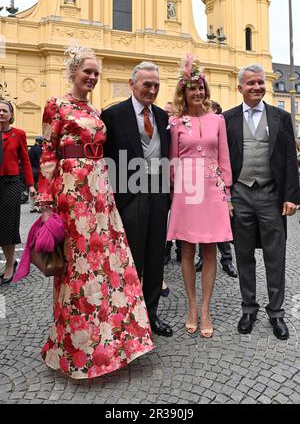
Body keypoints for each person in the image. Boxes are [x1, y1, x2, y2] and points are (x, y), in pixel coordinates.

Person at [36, 46, 154, 379]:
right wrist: (45, 205)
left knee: (109, 267)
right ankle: (75, 348)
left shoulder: (94, 109)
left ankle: (114, 341)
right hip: (71, 193)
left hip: (101, 192)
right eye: (87, 71)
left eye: (96, 73)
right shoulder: (55, 105)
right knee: (78, 271)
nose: (92, 77)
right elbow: (47, 153)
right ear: (73, 71)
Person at [223, 64, 300, 340]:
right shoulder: (227, 118)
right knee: (243, 254)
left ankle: (277, 313)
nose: (257, 87)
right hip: (240, 194)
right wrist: (224, 195)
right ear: (240, 87)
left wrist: (292, 195)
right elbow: (222, 160)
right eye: (250, 83)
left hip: (271, 194)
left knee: (275, 255)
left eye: (260, 82)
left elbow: (290, 158)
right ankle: (248, 308)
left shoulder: (280, 116)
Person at [102, 62, 173, 337]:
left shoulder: (163, 117)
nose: (152, 90)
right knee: (128, 258)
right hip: (127, 196)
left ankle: (151, 315)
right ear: (132, 84)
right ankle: (125, 317)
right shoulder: (112, 115)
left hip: (157, 196)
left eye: (156, 85)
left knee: (156, 258)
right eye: (147, 84)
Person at [167, 54, 233, 338]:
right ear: (184, 91)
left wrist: (227, 192)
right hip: (187, 189)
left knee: (209, 250)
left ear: (206, 91)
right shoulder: (176, 122)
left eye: (201, 87)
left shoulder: (218, 120)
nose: (197, 92)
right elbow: (172, 159)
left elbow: (224, 157)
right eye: (191, 88)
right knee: (186, 249)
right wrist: (173, 192)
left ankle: (206, 308)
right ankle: (191, 306)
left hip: (213, 188)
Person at [195, 101, 238, 278]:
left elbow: (224, 154)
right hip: (195, 185)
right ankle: (202, 258)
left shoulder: (218, 122)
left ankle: (227, 260)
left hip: (214, 182)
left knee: (219, 227)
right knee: (198, 226)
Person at [0, 98, 35, 285]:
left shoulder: (19, 134)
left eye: (5, 110)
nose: (1, 113)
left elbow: (26, 162)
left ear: (11, 115)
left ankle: (9, 263)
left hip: (11, 184)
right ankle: (11, 260)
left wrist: (30, 185)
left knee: (7, 224)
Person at [28, 136, 43, 212]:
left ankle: (32, 207)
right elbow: (40, 160)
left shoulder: (30, 149)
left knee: (31, 188)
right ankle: (39, 207)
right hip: (37, 171)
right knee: (38, 188)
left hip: (31, 171)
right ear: (40, 141)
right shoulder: (39, 149)